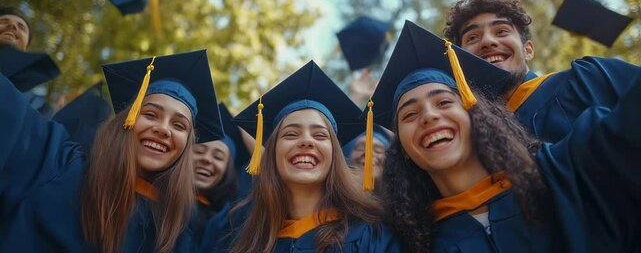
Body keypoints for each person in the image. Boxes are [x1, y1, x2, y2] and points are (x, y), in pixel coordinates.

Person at [371, 21, 641, 252]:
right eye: (409, 115)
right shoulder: (417, 243)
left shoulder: (566, 170)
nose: (429, 116)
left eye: (444, 102)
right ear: (402, 147)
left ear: (477, 116)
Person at [0, 49, 225, 252]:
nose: (163, 129)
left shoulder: (174, 234)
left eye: (179, 125)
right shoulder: (58, 161)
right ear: (125, 120)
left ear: (187, 145)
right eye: (150, 114)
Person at [209, 61, 400, 253]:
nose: (306, 141)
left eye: (320, 135)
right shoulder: (246, 240)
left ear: (336, 154)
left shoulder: (372, 237)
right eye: (291, 134)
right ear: (271, 153)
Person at [443, 0, 640, 142]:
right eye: (472, 37)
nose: (487, 41)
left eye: (501, 31)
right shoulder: (466, 137)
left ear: (528, 50)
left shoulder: (586, 78)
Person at [342, 126, 392, 196]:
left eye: (378, 150)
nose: (368, 153)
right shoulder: (336, 198)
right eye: (360, 148)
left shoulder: (400, 202)